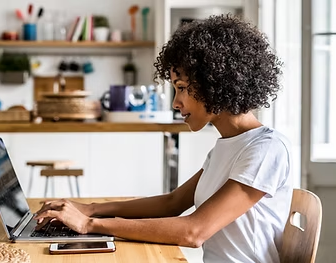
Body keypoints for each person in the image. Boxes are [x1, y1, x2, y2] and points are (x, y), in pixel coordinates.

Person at [34, 14, 293, 263]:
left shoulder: (266, 149)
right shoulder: (224, 147)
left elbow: (194, 232)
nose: (176, 102)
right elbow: (173, 203)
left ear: (215, 83)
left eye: (181, 88)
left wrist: (90, 225)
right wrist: (89, 209)